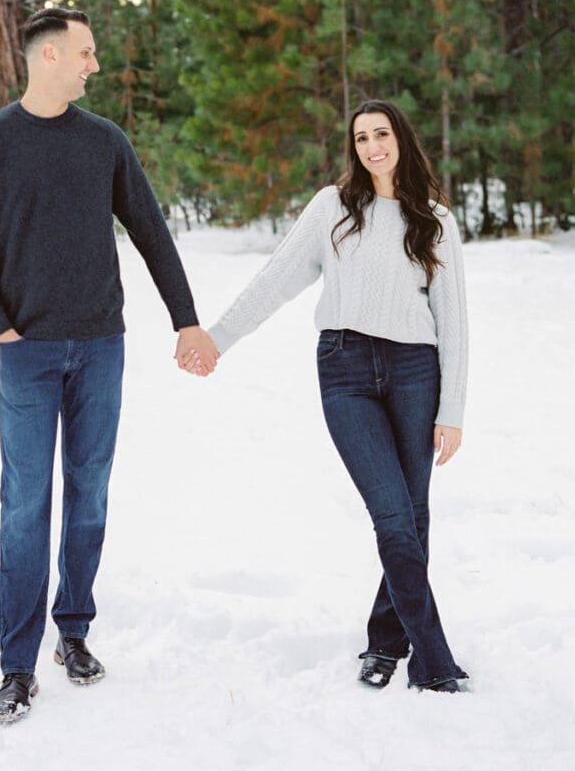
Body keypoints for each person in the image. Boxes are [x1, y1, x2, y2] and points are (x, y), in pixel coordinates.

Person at [0, 7, 219, 724]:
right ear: (47, 58)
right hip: (28, 353)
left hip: (101, 345)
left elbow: (152, 233)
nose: (94, 64)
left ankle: (73, 632)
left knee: (90, 493)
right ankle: (16, 663)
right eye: (86, 53)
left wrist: (186, 319)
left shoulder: (104, 142)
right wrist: (1, 328)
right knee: (25, 505)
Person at [190, 99, 468, 692]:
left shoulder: (436, 221)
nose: (372, 146)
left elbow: (455, 323)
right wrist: (219, 337)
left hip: (417, 370)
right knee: (392, 515)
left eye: (382, 134)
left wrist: (453, 411)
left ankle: (385, 642)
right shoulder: (333, 207)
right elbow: (276, 279)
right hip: (345, 370)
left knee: (413, 517)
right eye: (361, 137)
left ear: (402, 140)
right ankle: (435, 661)